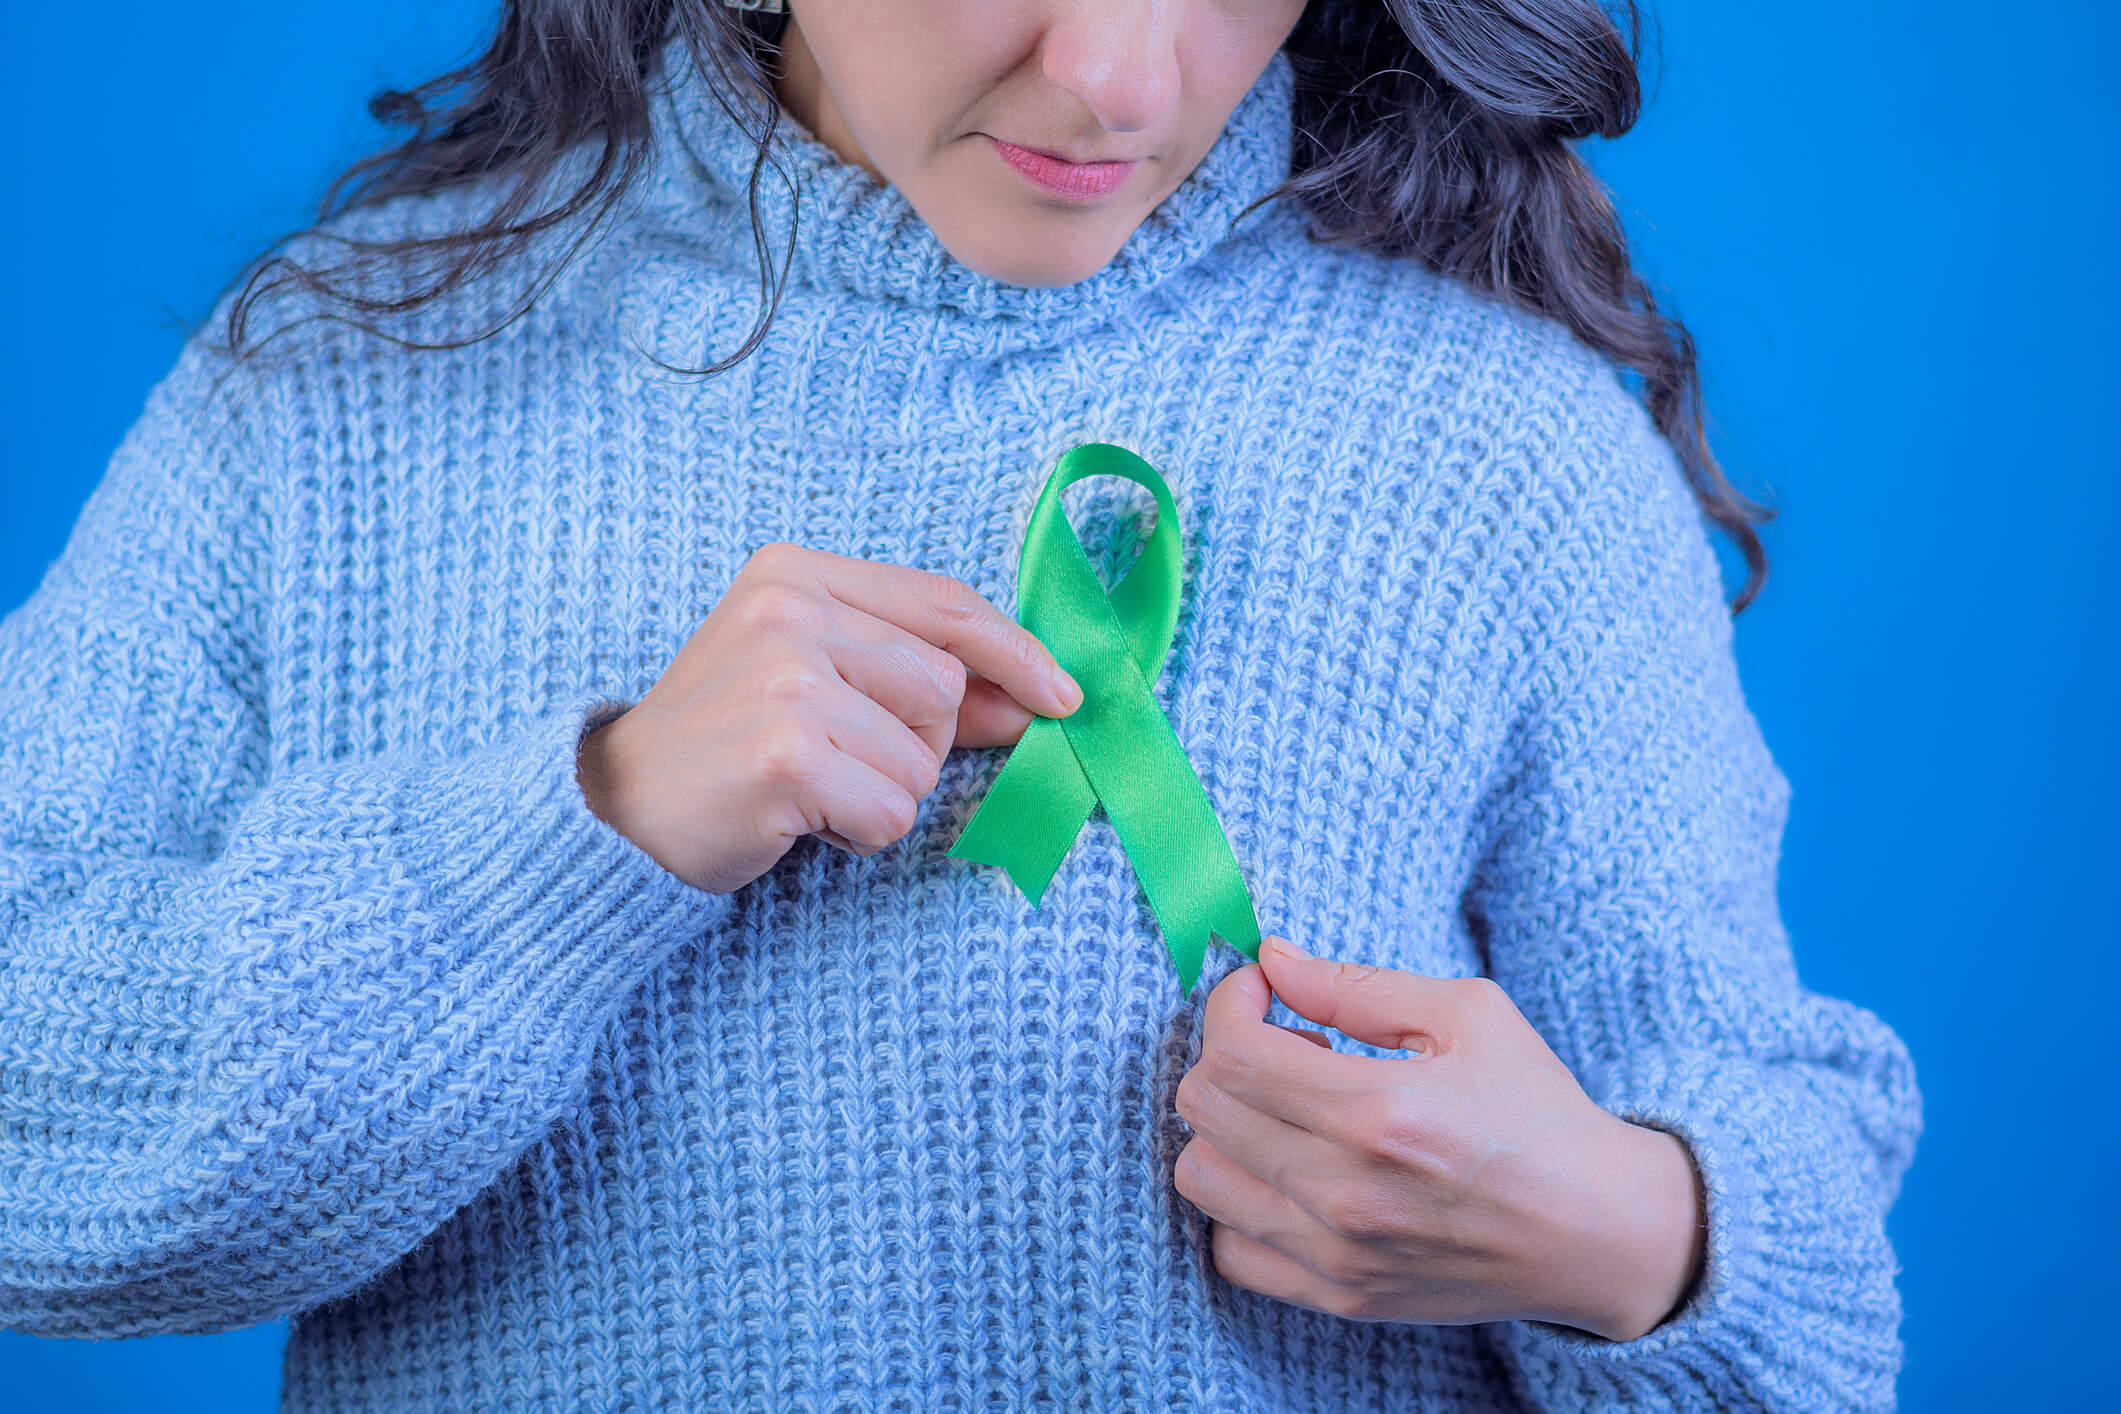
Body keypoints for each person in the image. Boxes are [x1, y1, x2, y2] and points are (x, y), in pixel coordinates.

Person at [0, 1, 1922, 1409]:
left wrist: (1637, 1236)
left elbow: (1816, 1274)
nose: (1116, 74)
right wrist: (578, 830)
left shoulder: (1499, 447)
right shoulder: (338, 389)